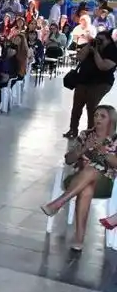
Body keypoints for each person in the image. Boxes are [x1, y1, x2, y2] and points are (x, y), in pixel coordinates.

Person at [42, 105, 117, 250]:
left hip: (105, 181)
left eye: (102, 116)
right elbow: (69, 160)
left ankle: (59, 203)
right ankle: (79, 238)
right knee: (86, 188)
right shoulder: (85, 135)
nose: (97, 119)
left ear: (111, 120)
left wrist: (104, 154)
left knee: (92, 169)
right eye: (95, 115)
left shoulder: (115, 139)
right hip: (77, 178)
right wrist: (83, 148)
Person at [63, 31, 117, 139]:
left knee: (92, 107)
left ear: (108, 40)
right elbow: (79, 57)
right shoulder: (91, 46)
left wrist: (96, 52)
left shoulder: (112, 51)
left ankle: (90, 133)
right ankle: (73, 129)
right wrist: (89, 45)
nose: (98, 42)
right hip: (83, 80)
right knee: (76, 107)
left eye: (101, 40)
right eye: (97, 39)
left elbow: (103, 66)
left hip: (101, 83)